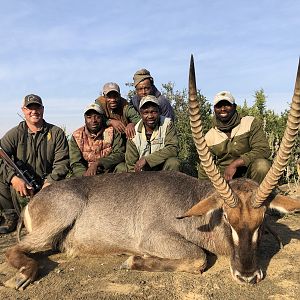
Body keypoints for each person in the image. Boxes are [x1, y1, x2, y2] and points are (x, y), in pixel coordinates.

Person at [0, 94, 69, 234]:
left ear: (43, 109)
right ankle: (10, 216)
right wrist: (14, 178)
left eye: (37, 107)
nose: (34, 111)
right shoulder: (14, 134)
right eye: (29, 108)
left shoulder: (56, 133)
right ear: (23, 110)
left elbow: (62, 163)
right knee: (2, 179)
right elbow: (2, 156)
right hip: (23, 185)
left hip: (48, 186)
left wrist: (50, 182)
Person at [198, 91, 271, 183]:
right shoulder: (209, 136)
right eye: (219, 106)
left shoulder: (249, 123)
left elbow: (263, 150)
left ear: (234, 107)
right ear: (214, 109)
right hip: (225, 181)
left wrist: (235, 164)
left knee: (262, 166)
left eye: (227, 105)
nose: (223, 109)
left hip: (250, 177)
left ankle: (259, 197)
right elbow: (205, 166)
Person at [125, 95, 180, 172]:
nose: (150, 116)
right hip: (143, 175)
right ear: (140, 114)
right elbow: (131, 165)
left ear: (159, 111)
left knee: (174, 162)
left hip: (163, 171)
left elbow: (173, 149)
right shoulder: (134, 132)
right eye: (146, 112)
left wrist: (147, 160)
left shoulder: (167, 124)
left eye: (153, 112)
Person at [69, 102, 125, 177]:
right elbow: (75, 162)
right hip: (87, 173)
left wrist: (99, 163)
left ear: (102, 117)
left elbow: (120, 154)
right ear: (85, 119)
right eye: (89, 117)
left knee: (122, 168)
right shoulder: (76, 136)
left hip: (109, 171)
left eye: (97, 117)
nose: (93, 120)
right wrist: (83, 175)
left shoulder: (113, 131)